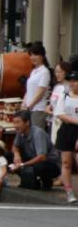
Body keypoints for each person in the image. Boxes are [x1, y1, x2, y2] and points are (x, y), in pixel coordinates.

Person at [10, 109, 61, 190]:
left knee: (40, 165)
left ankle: (46, 181)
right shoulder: (20, 131)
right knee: (8, 156)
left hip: (50, 164)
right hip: (32, 158)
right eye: (14, 122)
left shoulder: (38, 133)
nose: (15, 125)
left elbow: (42, 157)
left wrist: (22, 165)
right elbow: (15, 146)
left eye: (18, 122)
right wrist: (16, 155)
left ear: (27, 123)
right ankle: (30, 180)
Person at [53, 70, 78, 204]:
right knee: (66, 162)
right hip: (67, 130)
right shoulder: (65, 96)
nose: (73, 83)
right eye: (71, 81)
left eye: (75, 81)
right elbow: (60, 114)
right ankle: (69, 190)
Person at [22, 44, 51, 131]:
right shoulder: (33, 71)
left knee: (37, 135)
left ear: (42, 56)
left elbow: (40, 92)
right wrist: (24, 103)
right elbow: (28, 90)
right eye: (31, 55)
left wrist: (29, 106)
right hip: (29, 109)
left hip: (38, 109)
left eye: (36, 54)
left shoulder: (45, 72)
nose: (33, 57)